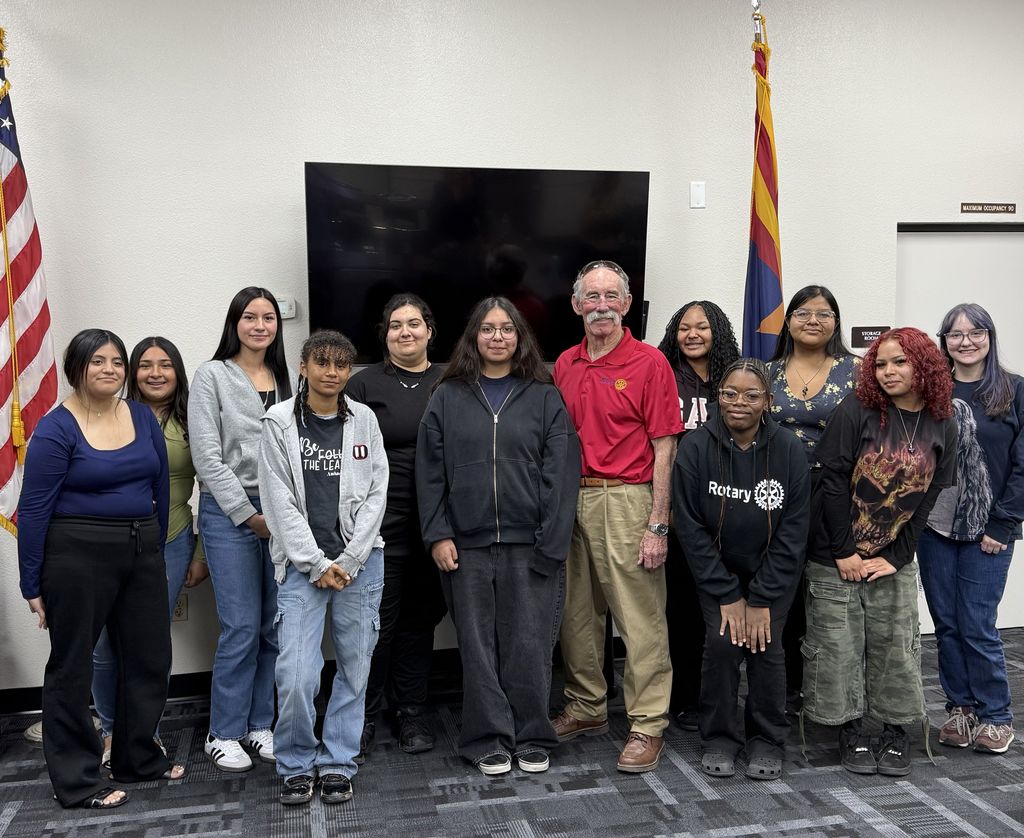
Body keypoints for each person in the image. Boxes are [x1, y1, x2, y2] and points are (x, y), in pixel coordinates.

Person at [18, 329, 182, 809]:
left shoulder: (138, 416)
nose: (110, 369)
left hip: (141, 550)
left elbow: (159, 487)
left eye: (116, 361)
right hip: (76, 556)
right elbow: (33, 510)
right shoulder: (56, 428)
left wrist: (154, 551)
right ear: (77, 368)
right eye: (98, 362)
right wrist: (32, 583)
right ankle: (79, 780)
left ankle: (138, 758)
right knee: (72, 668)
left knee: (149, 657)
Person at [417, 296, 580, 776]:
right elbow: (429, 475)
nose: (496, 337)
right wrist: (437, 534)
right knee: (477, 645)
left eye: (506, 329)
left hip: (530, 545)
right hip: (464, 544)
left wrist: (551, 543)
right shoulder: (447, 396)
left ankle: (531, 733)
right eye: (486, 329)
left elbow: (562, 474)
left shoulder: (544, 395)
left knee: (529, 644)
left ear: (519, 337)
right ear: (473, 337)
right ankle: (486, 736)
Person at [803, 327, 956, 777]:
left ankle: (894, 732)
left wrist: (898, 556)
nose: (888, 372)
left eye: (900, 362)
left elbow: (929, 497)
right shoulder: (859, 410)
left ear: (923, 364)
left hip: (894, 556)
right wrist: (844, 552)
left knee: (897, 647)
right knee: (837, 646)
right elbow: (831, 481)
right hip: (835, 552)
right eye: (881, 364)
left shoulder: (944, 421)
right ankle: (850, 730)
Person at [551, 260, 682, 773]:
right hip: (571, 500)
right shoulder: (564, 363)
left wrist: (657, 522)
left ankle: (647, 724)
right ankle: (586, 707)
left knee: (640, 619)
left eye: (611, 296)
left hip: (628, 499)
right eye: (591, 296)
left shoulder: (649, 363)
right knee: (577, 615)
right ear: (576, 304)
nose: (601, 305)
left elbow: (665, 446)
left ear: (627, 305)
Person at [259, 330, 388, 806]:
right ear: (303, 367)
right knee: (296, 673)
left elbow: (378, 491)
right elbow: (278, 502)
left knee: (355, 668)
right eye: (322, 363)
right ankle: (296, 762)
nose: (332, 373)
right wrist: (315, 563)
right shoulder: (277, 423)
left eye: (341, 364)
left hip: (360, 564)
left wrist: (350, 559)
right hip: (301, 568)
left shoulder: (365, 421)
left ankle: (337, 761)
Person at [673, 359, 809, 779]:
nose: (739, 403)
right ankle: (720, 736)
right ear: (719, 397)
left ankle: (767, 739)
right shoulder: (695, 446)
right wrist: (729, 594)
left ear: (768, 401)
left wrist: (763, 597)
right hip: (719, 574)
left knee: (766, 646)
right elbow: (690, 526)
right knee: (721, 644)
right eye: (730, 393)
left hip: (773, 573)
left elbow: (794, 530)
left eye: (751, 395)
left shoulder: (789, 449)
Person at [90, 337, 208, 763]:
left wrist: (201, 554)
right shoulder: (110, 415)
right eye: (145, 365)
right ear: (131, 373)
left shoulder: (194, 420)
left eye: (165, 365)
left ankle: (145, 734)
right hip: (111, 544)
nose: (155, 373)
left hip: (172, 540)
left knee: (149, 642)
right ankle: (108, 730)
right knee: (104, 642)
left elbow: (210, 489)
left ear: (177, 371)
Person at [190, 287, 293, 772]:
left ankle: (259, 725)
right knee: (241, 627)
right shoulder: (211, 375)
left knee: (275, 624)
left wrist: (284, 512)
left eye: (268, 318)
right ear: (234, 323)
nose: (259, 326)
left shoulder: (283, 376)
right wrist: (246, 514)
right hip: (229, 512)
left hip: (281, 512)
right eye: (249, 317)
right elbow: (207, 457)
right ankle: (223, 731)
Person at [918, 304, 1024, 754]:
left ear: (989, 336)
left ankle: (996, 715)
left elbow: (1022, 465)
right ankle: (960, 709)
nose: (965, 341)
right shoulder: (930, 391)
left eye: (975, 332)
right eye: (955, 334)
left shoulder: (1014, 390)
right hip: (935, 526)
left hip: (989, 529)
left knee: (977, 624)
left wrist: (1004, 522)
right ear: (944, 340)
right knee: (946, 624)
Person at [346, 293, 446, 759]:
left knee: (418, 624)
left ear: (430, 330)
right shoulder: (363, 385)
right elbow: (346, 455)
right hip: (378, 527)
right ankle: (361, 714)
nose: (404, 332)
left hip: (435, 525)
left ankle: (411, 711)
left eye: (413, 324)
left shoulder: (451, 381)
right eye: (395, 326)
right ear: (384, 335)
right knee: (375, 626)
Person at [766, 285, 860, 711]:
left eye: (824, 314)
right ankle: (783, 689)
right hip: (775, 497)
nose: (813, 321)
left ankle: (826, 687)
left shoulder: (858, 371)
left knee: (828, 597)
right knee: (781, 592)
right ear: (788, 321)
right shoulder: (766, 373)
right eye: (803, 313)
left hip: (837, 497)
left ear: (836, 322)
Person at [657, 300, 739, 731]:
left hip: (728, 509)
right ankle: (685, 699)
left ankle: (723, 697)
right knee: (684, 611)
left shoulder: (735, 378)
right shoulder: (664, 376)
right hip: (678, 512)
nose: (692, 334)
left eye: (702, 327)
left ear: (717, 332)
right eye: (684, 327)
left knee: (723, 608)